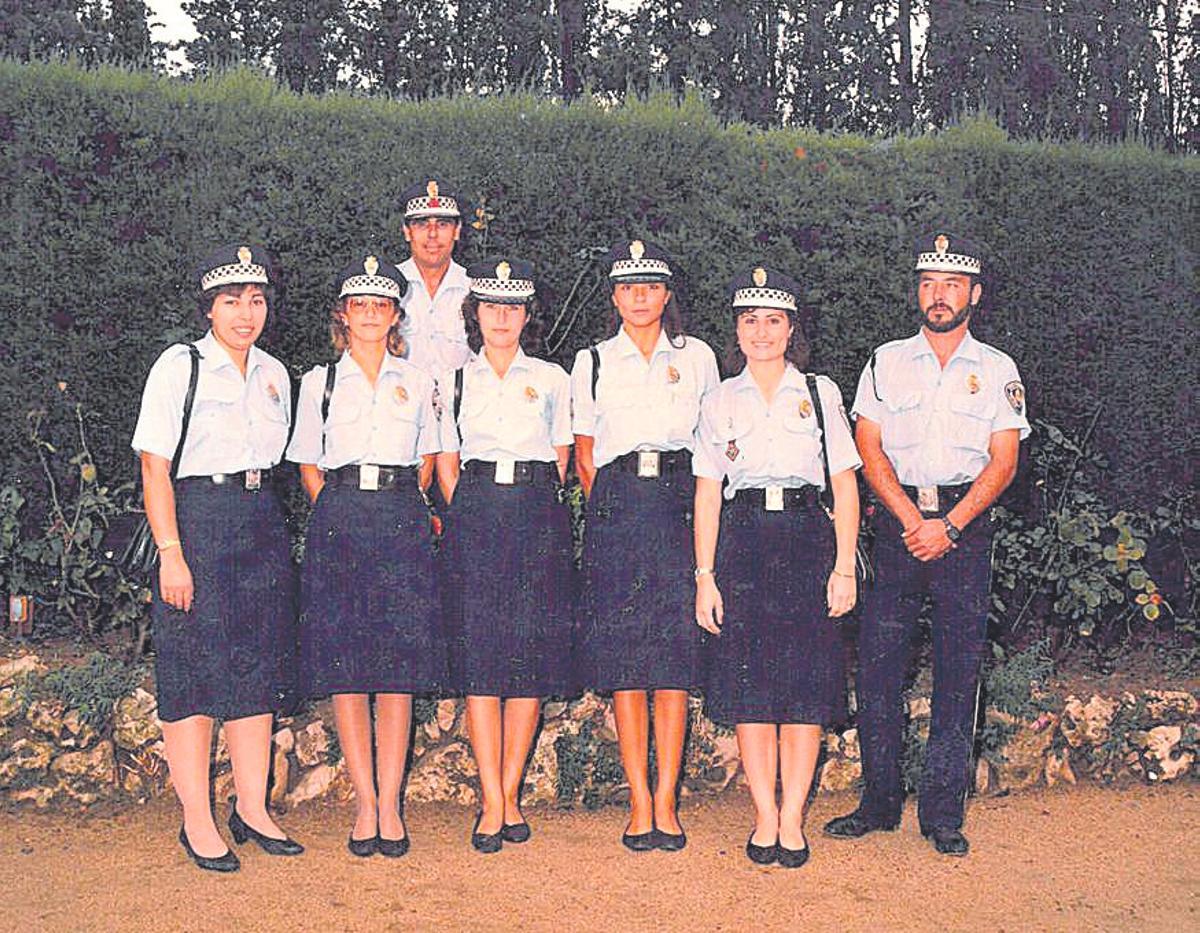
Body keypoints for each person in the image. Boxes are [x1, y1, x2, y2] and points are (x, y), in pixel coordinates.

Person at [824, 232, 1030, 857]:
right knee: (881, 666)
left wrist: (952, 526)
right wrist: (912, 518)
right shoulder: (886, 360)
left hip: (964, 530)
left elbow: (1004, 461)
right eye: (927, 284)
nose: (937, 296)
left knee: (958, 671)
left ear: (974, 294)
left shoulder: (997, 370)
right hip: (898, 526)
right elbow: (868, 445)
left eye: (950, 285)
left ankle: (943, 813)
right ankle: (879, 801)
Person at [131, 244, 303, 872]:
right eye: (232, 301)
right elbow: (155, 467)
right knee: (194, 672)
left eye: (256, 300)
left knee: (256, 669)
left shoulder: (275, 374)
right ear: (209, 308)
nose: (245, 313)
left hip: (260, 521)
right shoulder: (182, 367)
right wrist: (170, 553)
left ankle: (252, 808)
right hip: (197, 522)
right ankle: (197, 821)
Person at [693, 267, 861, 868]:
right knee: (752, 688)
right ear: (735, 330)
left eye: (772, 321)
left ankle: (794, 819)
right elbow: (708, 491)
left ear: (791, 329)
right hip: (743, 542)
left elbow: (844, 484)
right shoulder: (719, 398)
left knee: (804, 688)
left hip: (804, 539)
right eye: (749, 321)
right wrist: (704, 576)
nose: (760, 333)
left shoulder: (819, 394)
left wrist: (844, 566)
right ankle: (764, 813)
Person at [286, 253, 443, 859]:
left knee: (397, 667)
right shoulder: (320, 383)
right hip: (341, 515)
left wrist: (405, 503)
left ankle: (393, 803)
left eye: (382, 306)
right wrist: (340, 509)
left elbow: (428, 456)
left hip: (401, 515)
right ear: (343, 316)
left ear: (395, 315)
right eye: (361, 306)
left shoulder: (418, 381)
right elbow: (307, 461)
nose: (371, 315)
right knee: (349, 665)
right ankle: (364, 802)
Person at [571, 239, 719, 851]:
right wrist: (613, 509)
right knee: (628, 657)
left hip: (679, 504)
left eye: (651, 288)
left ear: (666, 295)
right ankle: (638, 802)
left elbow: (713, 443)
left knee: (673, 659)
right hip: (618, 506)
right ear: (614, 297)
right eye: (628, 288)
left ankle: (668, 801)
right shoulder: (594, 361)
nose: (640, 298)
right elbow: (584, 455)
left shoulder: (699, 357)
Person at [435, 258, 574, 853]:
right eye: (490, 308)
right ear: (475, 315)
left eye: (512, 308)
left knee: (527, 657)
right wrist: (467, 509)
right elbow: (446, 458)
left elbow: (563, 455)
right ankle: (491, 798)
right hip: (476, 513)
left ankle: (510, 792)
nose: (501, 318)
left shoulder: (550, 377)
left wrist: (533, 505)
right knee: (483, 658)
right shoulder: (454, 379)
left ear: (526, 316)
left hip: (536, 512)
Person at [396, 178, 471, 374]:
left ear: (457, 230)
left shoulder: (474, 288)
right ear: (407, 231)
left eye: (443, 224)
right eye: (422, 224)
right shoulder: (388, 288)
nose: (432, 234)